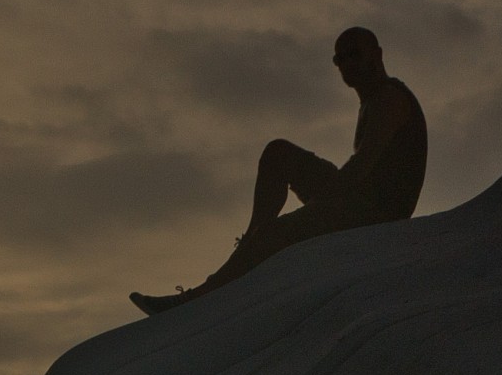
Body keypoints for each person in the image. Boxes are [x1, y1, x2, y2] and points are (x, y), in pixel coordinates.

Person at [131, 28, 427, 315]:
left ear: (377, 54)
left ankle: (204, 296)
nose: (347, 64)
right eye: (340, 59)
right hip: (359, 198)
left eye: (354, 54)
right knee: (278, 154)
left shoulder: (389, 99)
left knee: (274, 234)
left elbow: (360, 169)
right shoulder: (373, 101)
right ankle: (250, 243)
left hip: (375, 212)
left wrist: (317, 208)